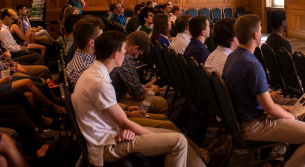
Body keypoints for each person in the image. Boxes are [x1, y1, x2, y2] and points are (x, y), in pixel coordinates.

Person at [72, 31, 207, 167]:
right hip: (106, 147)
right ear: (115, 54)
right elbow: (124, 122)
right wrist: (152, 136)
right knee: (178, 141)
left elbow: (112, 117)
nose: (125, 53)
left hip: (111, 135)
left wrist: (125, 123)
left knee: (173, 134)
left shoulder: (93, 73)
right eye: (124, 50)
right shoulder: (99, 83)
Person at [223, 14, 305, 167]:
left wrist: (286, 109)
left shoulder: (233, 57)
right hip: (254, 125)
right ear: (255, 35)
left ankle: (279, 156)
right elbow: (270, 109)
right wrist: (290, 117)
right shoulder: (252, 65)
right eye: (260, 30)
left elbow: (256, 101)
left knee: (293, 111)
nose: (261, 33)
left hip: (242, 119)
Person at [66, 16, 104, 89]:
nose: (104, 39)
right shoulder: (86, 68)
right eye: (101, 37)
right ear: (91, 42)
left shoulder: (82, 55)